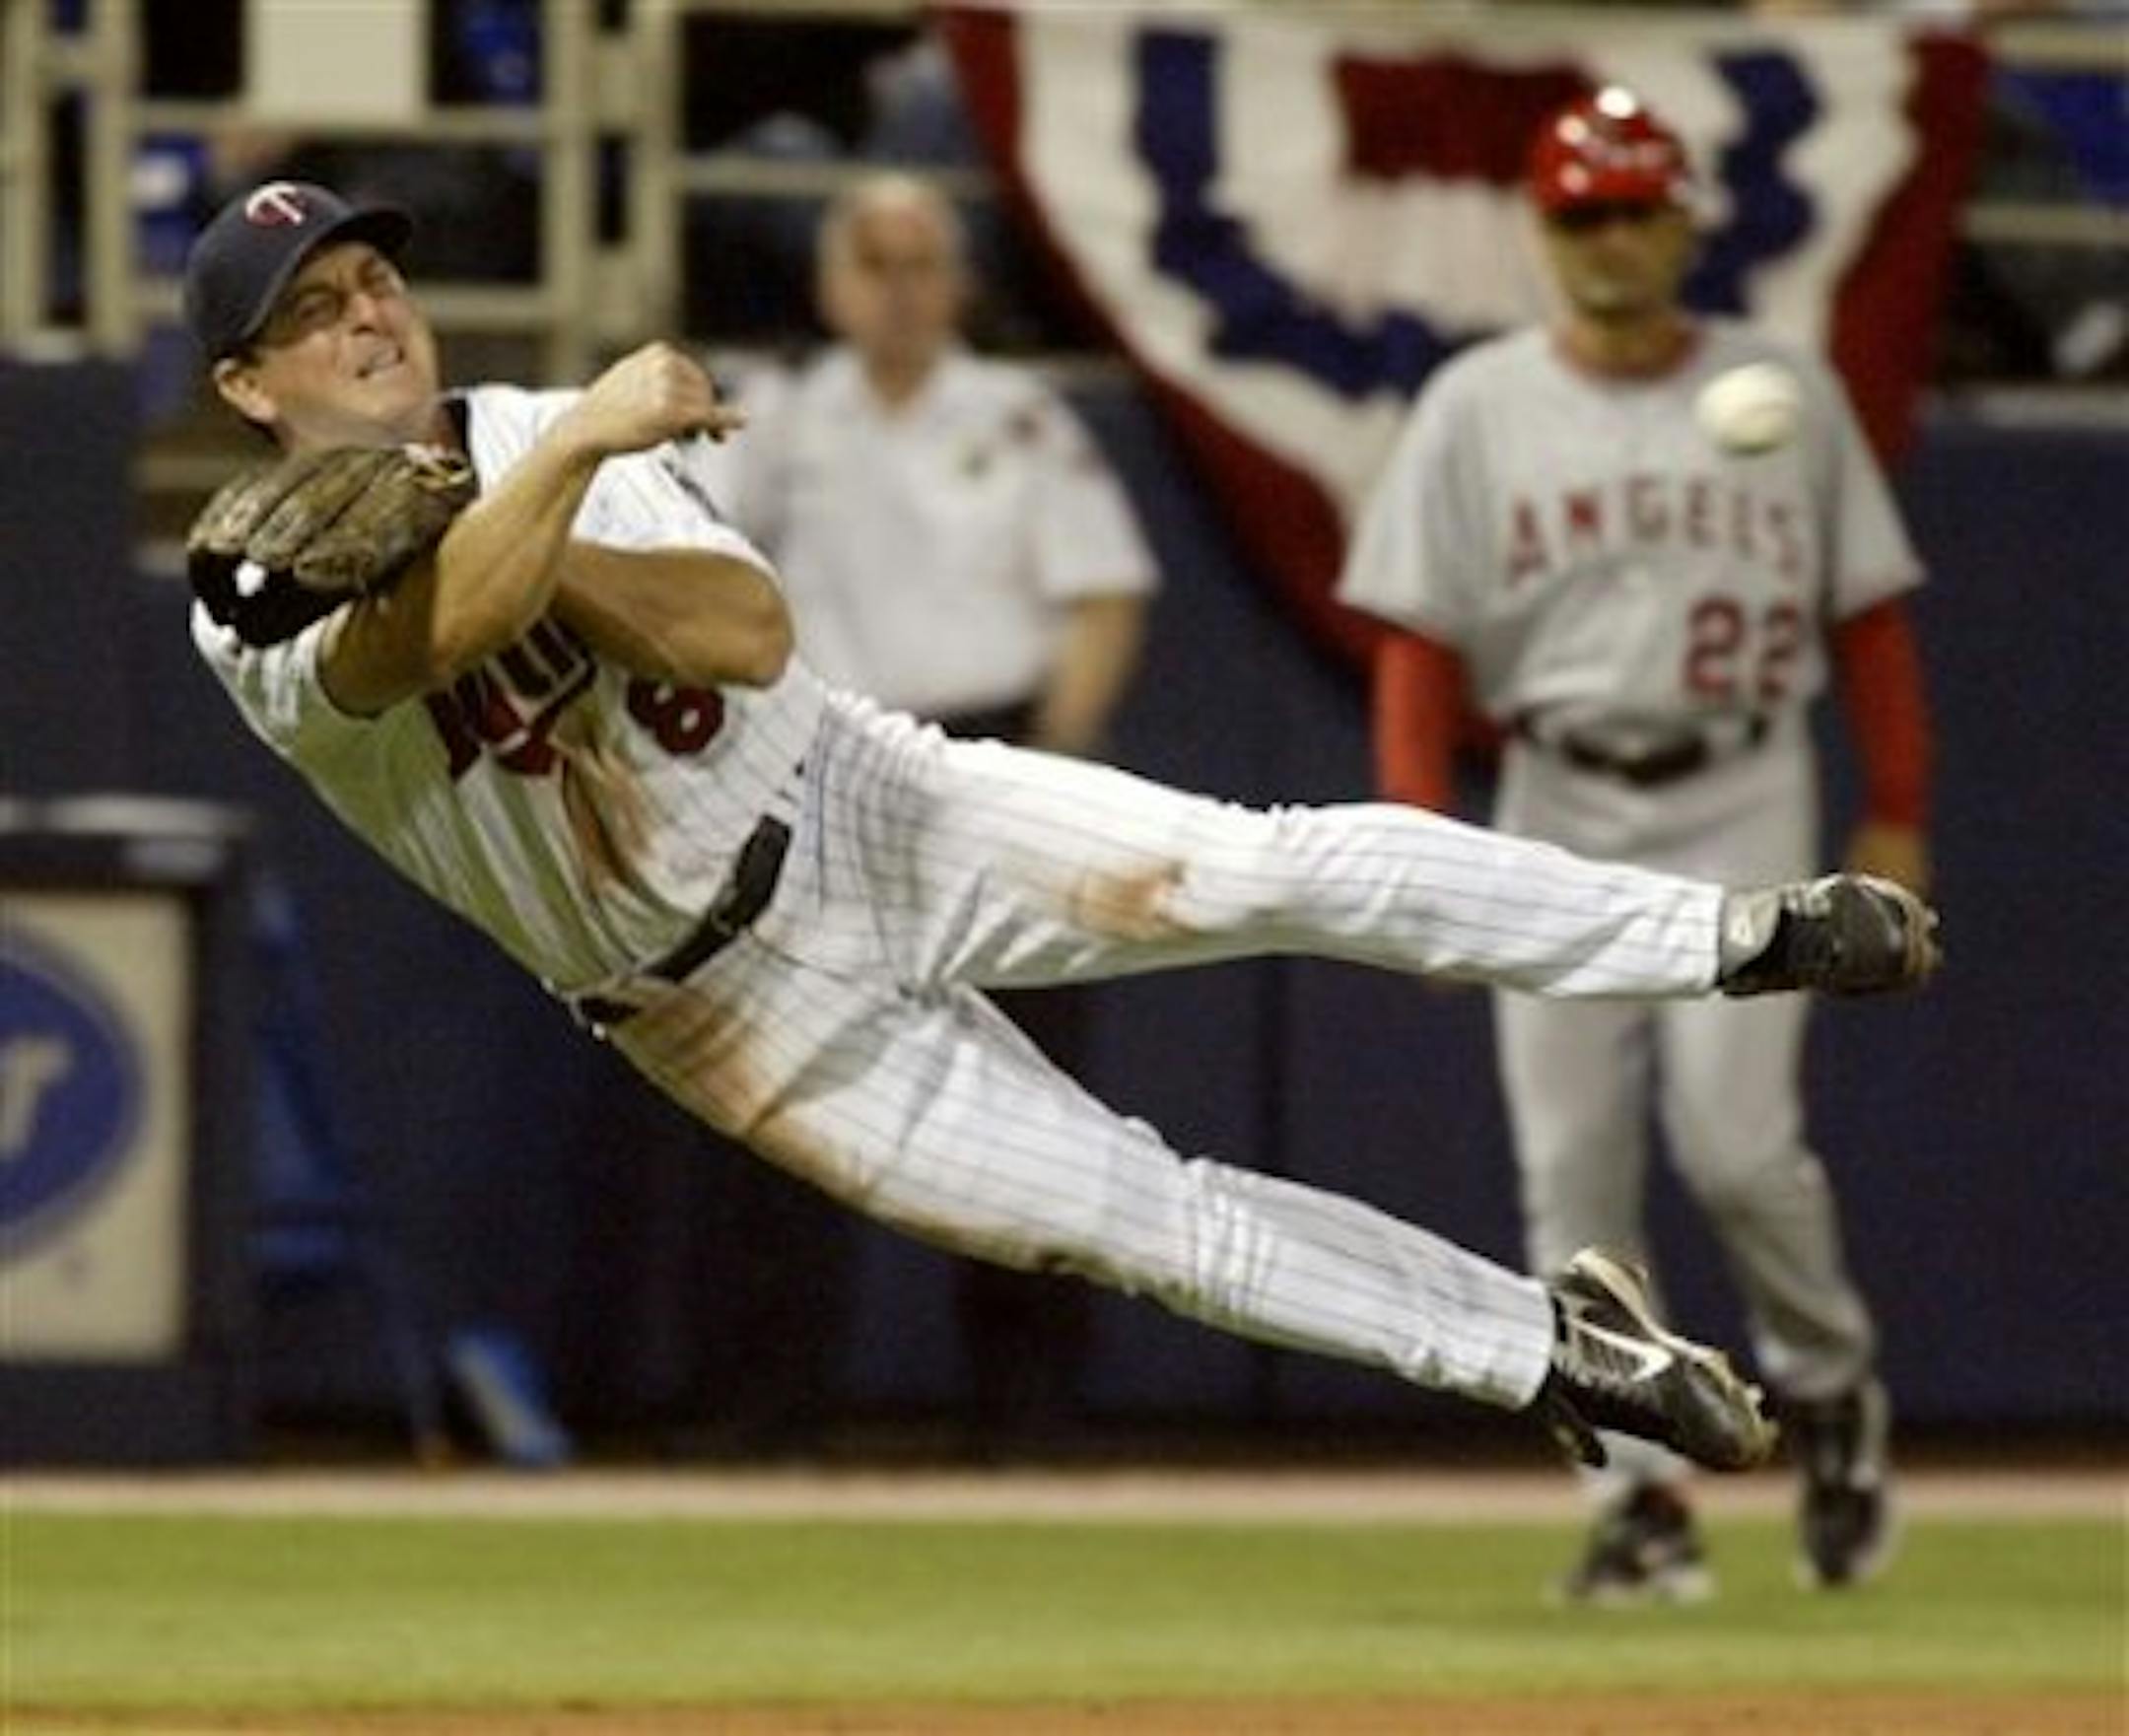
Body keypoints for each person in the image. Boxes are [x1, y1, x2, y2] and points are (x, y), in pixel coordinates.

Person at [178, 177, 1940, 1493]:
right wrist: (541, 490)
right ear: (253, 391)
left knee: (1267, 862)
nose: (368, 315)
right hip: (714, 1007)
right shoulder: (244, 597)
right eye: (315, 311)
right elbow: (418, 642)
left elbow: (737, 637)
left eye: (375, 275)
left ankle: (1741, 934)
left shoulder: (546, 430)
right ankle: (1556, 1348)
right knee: (1140, 1222)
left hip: (867, 798)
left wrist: (535, 482)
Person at [1338, 89, 1935, 1602]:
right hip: (1558, 790)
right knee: (1571, 1172)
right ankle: (1641, 1497)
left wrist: (1899, 808)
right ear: (1544, 230)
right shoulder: (1478, 402)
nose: (1609, 239)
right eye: (1580, 213)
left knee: (1739, 1148)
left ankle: (1829, 1381)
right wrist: (1420, 850)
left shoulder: (1780, 388)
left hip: (1741, 790)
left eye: (1633, 209)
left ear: (1684, 221)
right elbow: (1415, 641)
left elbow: (1867, 619)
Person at [717, 171, 1158, 1457]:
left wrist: (1052, 769)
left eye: (923, 262)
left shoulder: (1018, 418)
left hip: (988, 758)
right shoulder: (785, 421)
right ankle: (765, 1408)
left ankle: (1028, 1412)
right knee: (778, 1091)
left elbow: (1104, 595)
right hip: (823, 764)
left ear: (959, 283)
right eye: (874, 260)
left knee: (1026, 1102)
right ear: (831, 284)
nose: (900, 289)